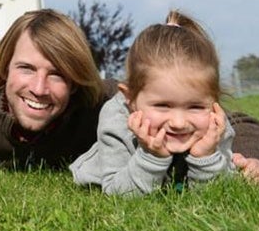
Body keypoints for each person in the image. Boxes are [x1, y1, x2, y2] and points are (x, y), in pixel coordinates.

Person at [0, 9, 259, 186]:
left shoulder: (101, 101)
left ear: (75, 80)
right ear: (3, 69)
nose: (39, 88)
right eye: (26, 69)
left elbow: (239, 121)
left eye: (56, 74)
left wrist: (256, 160)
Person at [70, 11, 236, 195]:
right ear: (130, 98)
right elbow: (118, 194)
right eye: (163, 106)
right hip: (112, 176)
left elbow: (222, 194)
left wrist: (206, 157)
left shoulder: (215, 125)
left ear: (214, 101)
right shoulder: (116, 118)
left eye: (195, 107)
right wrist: (152, 157)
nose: (178, 123)